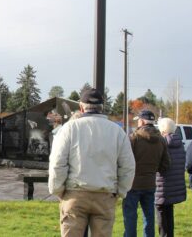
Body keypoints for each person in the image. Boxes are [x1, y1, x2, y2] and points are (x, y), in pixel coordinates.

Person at [48, 88, 135, 237]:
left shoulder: (69, 128)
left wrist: (57, 189)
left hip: (75, 194)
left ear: (81, 107)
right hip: (105, 194)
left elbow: (58, 163)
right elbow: (127, 166)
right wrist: (120, 191)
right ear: (102, 107)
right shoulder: (117, 131)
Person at [123, 110, 170, 237]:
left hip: (132, 184)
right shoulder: (161, 139)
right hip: (150, 184)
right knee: (149, 217)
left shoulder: (134, 138)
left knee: (130, 217)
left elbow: (125, 161)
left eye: (138, 120)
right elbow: (166, 165)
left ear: (142, 121)